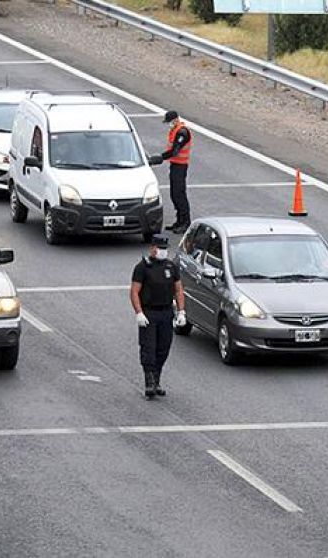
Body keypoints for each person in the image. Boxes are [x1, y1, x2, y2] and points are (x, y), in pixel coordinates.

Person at [130, 234, 186, 399]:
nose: (163, 252)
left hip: (166, 312)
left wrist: (181, 311)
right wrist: (139, 312)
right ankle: (149, 381)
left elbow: (178, 290)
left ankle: (157, 378)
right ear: (152, 248)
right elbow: (134, 291)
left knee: (163, 348)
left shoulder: (171, 266)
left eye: (165, 249)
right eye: (160, 248)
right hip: (149, 313)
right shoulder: (142, 267)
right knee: (149, 349)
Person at [157, 110, 192, 234]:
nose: (169, 124)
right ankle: (179, 221)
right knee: (174, 194)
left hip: (180, 166)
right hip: (174, 165)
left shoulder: (182, 132)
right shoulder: (175, 130)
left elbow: (175, 150)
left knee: (179, 194)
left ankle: (185, 222)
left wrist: (160, 157)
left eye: (170, 122)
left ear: (176, 119)